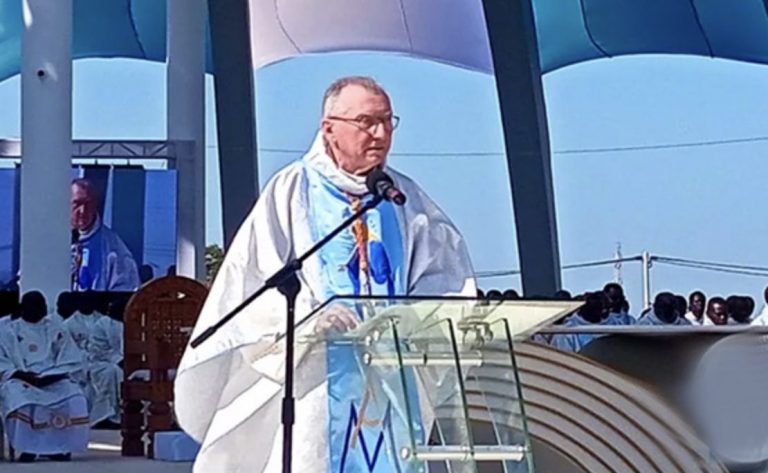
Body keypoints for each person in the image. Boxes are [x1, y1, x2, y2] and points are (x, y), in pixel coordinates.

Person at [174, 76, 476, 472]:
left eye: (387, 121)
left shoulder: (404, 198)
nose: (381, 133)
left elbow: (448, 284)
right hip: (315, 380)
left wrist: (415, 319)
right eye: (367, 121)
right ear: (329, 129)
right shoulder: (292, 189)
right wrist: (310, 320)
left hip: (389, 379)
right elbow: (252, 283)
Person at [0, 291, 88, 462]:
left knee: (75, 396)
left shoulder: (56, 329)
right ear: (22, 308)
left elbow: (69, 357)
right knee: (19, 399)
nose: (38, 309)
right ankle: (28, 448)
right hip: (20, 378)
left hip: (52, 377)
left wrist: (52, 375)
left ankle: (58, 448)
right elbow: (2, 360)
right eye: (32, 306)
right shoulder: (7, 331)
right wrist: (21, 374)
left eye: (41, 306)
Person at [71, 178, 140, 292]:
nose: (82, 211)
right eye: (77, 203)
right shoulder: (51, 239)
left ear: (95, 205)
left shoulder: (113, 248)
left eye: (88, 204)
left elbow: (126, 291)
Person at [87, 299, 125, 427]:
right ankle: (108, 416)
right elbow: (98, 350)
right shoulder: (102, 324)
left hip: (128, 362)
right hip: (101, 363)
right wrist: (118, 360)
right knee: (112, 373)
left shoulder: (134, 322)